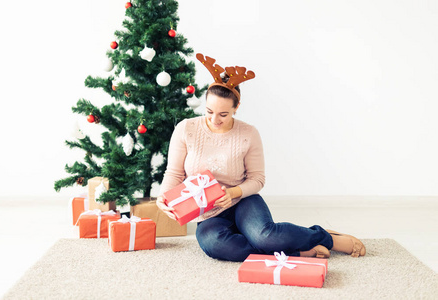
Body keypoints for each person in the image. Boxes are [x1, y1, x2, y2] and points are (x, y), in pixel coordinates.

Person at [156, 53, 366, 262]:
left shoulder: (248, 134)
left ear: (236, 108)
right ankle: (295, 252)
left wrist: (233, 193)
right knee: (217, 246)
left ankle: (325, 237)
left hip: (243, 201)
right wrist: (163, 197)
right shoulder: (186, 129)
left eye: (223, 114)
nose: (214, 120)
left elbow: (257, 179)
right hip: (208, 214)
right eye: (209, 111)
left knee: (265, 237)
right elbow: (174, 173)